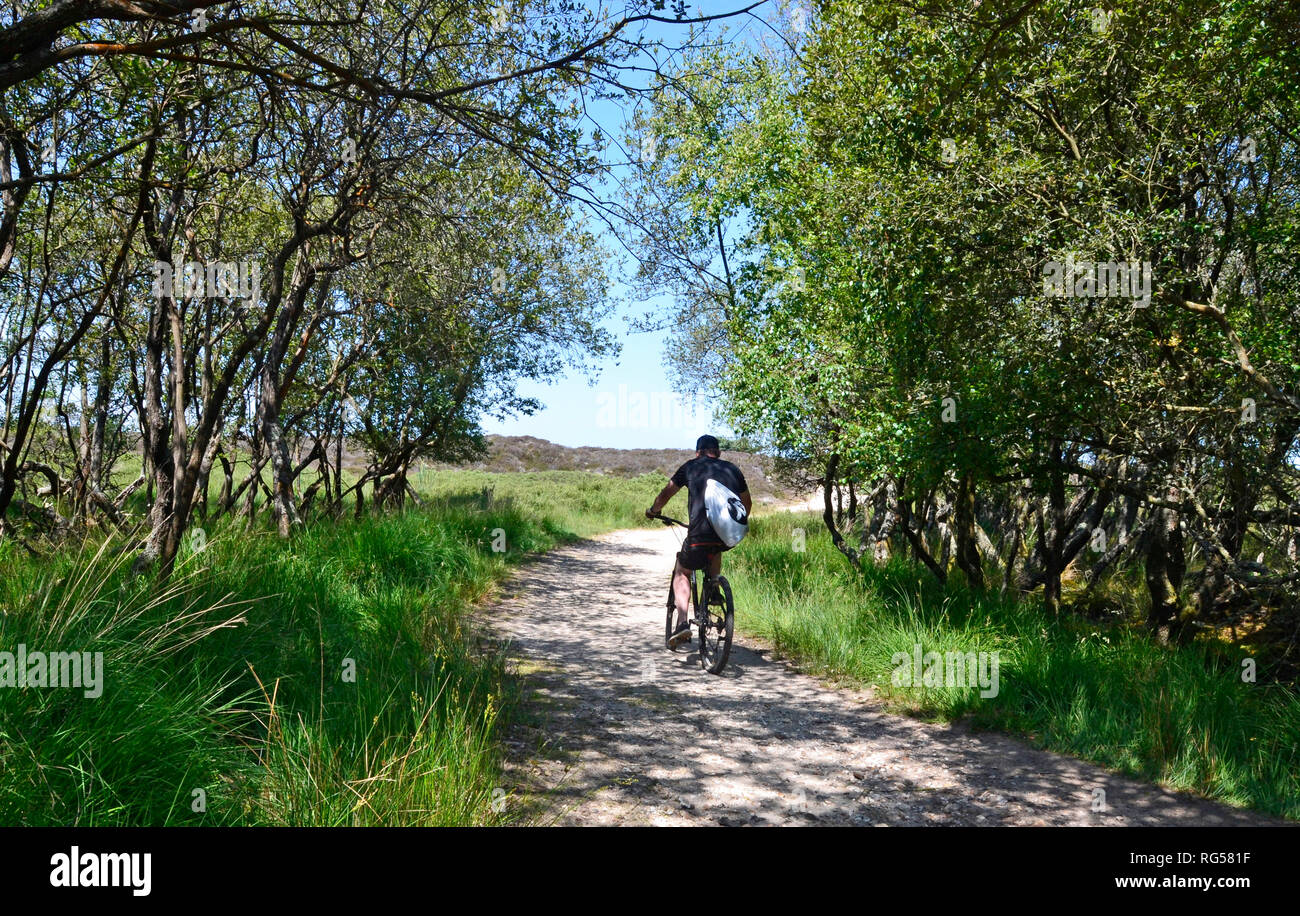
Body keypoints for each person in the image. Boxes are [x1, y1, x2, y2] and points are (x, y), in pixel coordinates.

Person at [645, 434, 752, 647]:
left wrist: (654, 510)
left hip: (698, 535)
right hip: (726, 535)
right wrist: (735, 523)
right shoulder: (732, 469)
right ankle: (714, 588)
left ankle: (683, 622)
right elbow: (746, 503)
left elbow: (666, 493)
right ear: (718, 452)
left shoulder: (690, 467)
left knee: (683, 571)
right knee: (716, 548)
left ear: (698, 452)